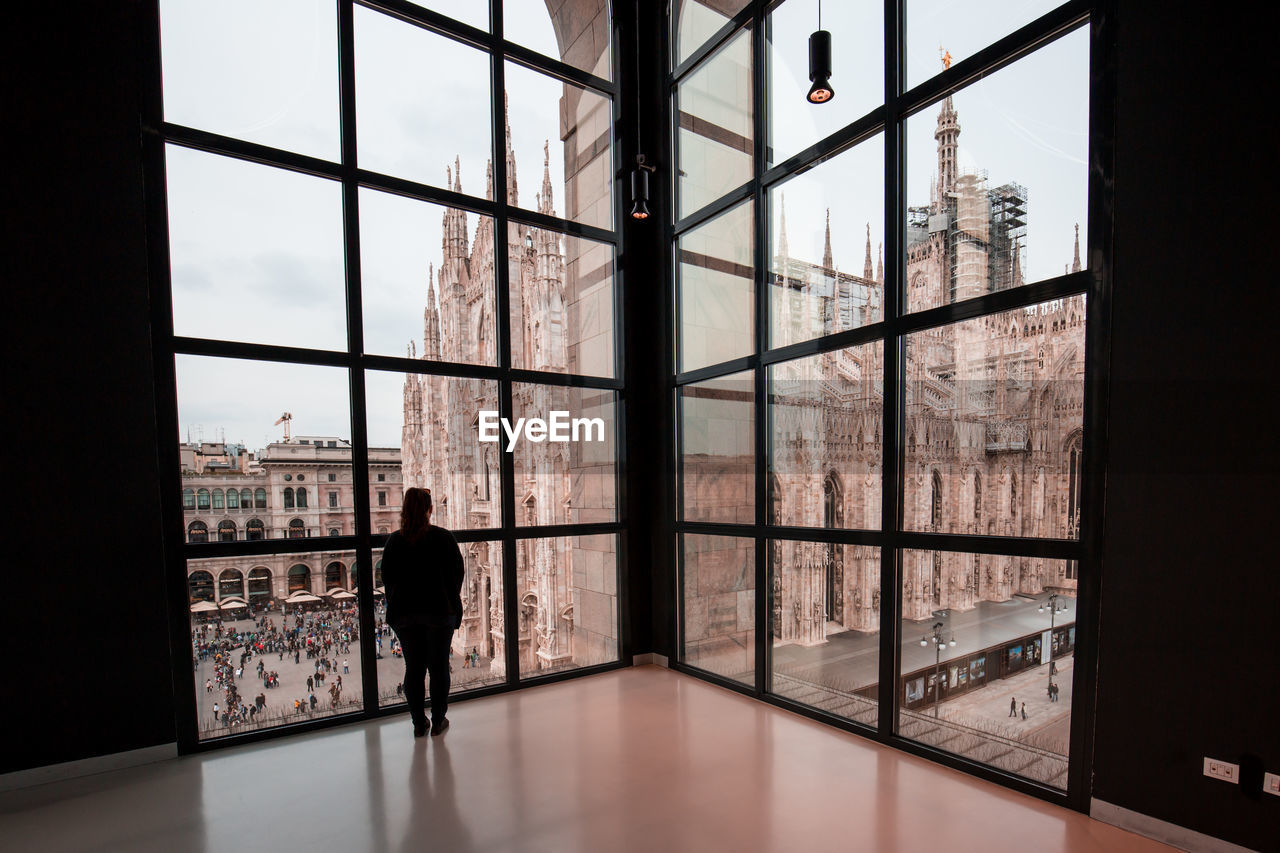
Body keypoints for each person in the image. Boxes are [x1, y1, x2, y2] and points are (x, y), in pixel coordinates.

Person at [381, 487, 464, 738]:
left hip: (406, 616)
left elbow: (387, 578)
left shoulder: (394, 541)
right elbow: (457, 574)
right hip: (439, 613)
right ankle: (438, 720)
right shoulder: (444, 537)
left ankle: (419, 723)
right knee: (439, 668)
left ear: (404, 510)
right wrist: (448, 598)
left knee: (414, 669)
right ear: (430, 510)